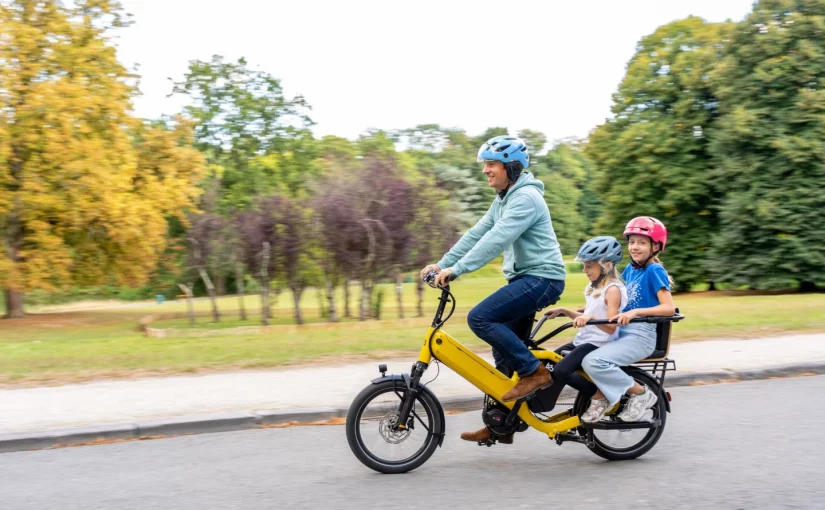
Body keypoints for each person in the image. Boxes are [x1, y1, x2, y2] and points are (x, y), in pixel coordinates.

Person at [419, 135, 566, 444]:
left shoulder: (525, 199)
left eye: (491, 165)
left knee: (481, 318)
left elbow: (497, 240)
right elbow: (478, 233)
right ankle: (505, 422)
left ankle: (535, 373)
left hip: (542, 279)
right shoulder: (504, 198)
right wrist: (442, 263)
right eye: (484, 165)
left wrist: (457, 270)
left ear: (511, 168)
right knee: (502, 352)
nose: (485, 170)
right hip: (527, 279)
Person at [580, 217, 676, 423]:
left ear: (656, 246)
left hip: (641, 336)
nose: (635, 247)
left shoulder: (654, 270)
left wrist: (636, 313)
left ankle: (641, 394)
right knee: (579, 355)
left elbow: (669, 308)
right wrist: (589, 308)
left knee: (593, 360)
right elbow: (616, 297)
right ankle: (601, 397)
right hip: (622, 333)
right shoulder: (631, 270)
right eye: (632, 242)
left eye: (642, 242)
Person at [540, 236, 628, 411]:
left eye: (589, 266)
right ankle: (542, 402)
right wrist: (564, 311)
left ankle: (599, 397)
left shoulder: (613, 290)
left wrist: (590, 319)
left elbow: (611, 327)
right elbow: (586, 317)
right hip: (584, 340)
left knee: (562, 370)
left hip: (598, 344)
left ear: (606, 265)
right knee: (547, 363)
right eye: (584, 265)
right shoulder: (596, 288)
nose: (584, 270)